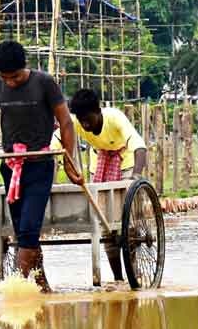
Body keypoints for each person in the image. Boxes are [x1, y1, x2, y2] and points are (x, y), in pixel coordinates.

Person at [0, 41, 81, 292]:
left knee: (27, 228)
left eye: (14, 77)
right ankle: (42, 286)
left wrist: (69, 164)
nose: (10, 82)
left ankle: (16, 287)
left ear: (24, 68)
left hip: (40, 166)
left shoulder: (44, 83)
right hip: (11, 168)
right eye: (5, 78)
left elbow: (66, 123)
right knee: (22, 232)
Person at [55, 88, 148, 282]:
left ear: (98, 111)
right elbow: (55, 144)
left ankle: (134, 272)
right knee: (105, 225)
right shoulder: (75, 122)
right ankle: (118, 279)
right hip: (100, 162)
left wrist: (135, 176)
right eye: (82, 120)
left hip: (126, 161)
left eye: (89, 119)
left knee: (126, 223)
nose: (85, 124)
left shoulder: (114, 117)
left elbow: (138, 145)